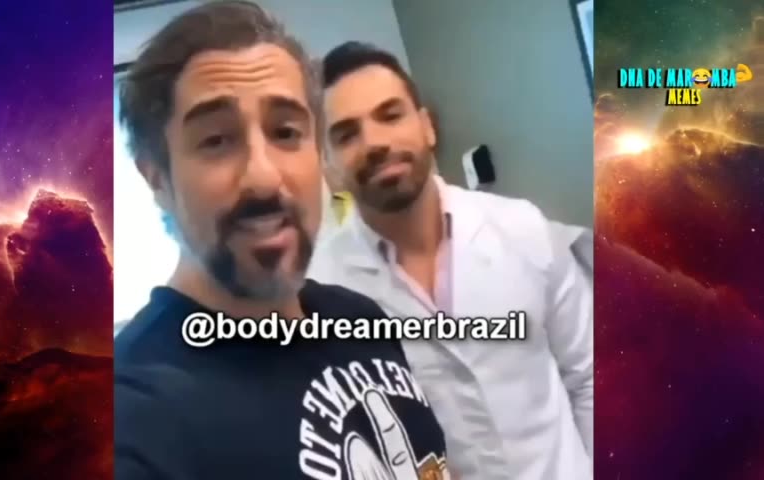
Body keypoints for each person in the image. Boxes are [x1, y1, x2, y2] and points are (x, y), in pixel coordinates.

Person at [114, 4, 452, 479]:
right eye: (216, 140)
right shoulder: (131, 415)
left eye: (286, 132)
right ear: (156, 178)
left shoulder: (358, 317)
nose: (264, 177)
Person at [308, 41, 594, 480]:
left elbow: (589, 376)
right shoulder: (321, 293)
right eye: (347, 134)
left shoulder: (522, 229)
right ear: (327, 166)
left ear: (427, 127)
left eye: (390, 115)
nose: (376, 142)